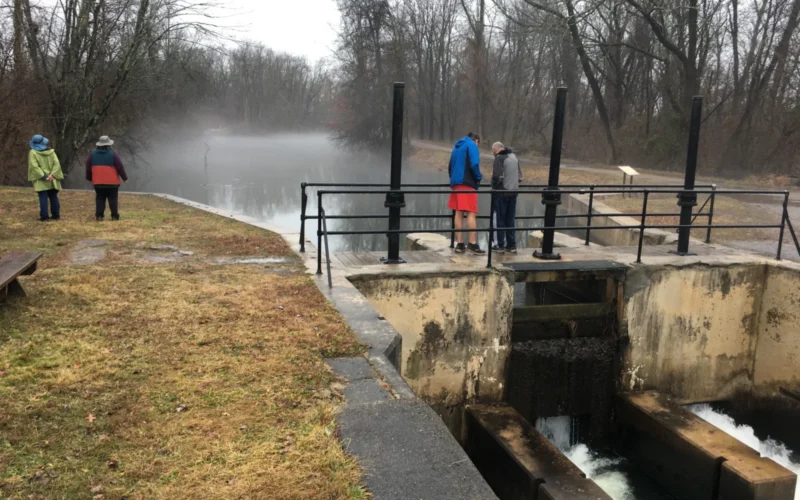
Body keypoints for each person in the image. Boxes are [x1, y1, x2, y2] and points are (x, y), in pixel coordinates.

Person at [448, 132, 484, 254]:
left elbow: (450, 167)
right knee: (471, 212)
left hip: (456, 183)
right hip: (467, 183)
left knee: (458, 212)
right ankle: (472, 243)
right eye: (478, 143)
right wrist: (479, 177)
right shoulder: (471, 145)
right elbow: (474, 164)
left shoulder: (456, 147)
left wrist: (453, 179)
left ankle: (460, 243)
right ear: (476, 140)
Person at [86, 135, 128, 221]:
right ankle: (114, 216)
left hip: (98, 182)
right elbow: (120, 166)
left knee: (100, 198)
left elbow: (88, 167)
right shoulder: (113, 154)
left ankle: (99, 216)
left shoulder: (92, 154)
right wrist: (124, 177)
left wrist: (90, 178)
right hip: (112, 183)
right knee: (113, 199)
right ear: (109, 144)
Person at [491, 142, 522, 253]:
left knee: (499, 219)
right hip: (513, 193)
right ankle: (511, 245)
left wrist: (494, 187)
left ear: (496, 149)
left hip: (501, 193)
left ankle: (499, 245)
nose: (493, 152)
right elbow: (519, 176)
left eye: (493, 150)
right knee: (510, 219)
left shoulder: (499, 158)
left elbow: (497, 176)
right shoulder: (514, 157)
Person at [27, 134, 64, 222]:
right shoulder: (51, 152)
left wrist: (44, 176)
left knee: (43, 197)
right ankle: (56, 215)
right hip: (52, 179)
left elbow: (34, 167)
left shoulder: (33, 152)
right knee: (53, 196)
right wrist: (52, 175)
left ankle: (44, 217)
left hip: (41, 179)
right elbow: (56, 164)